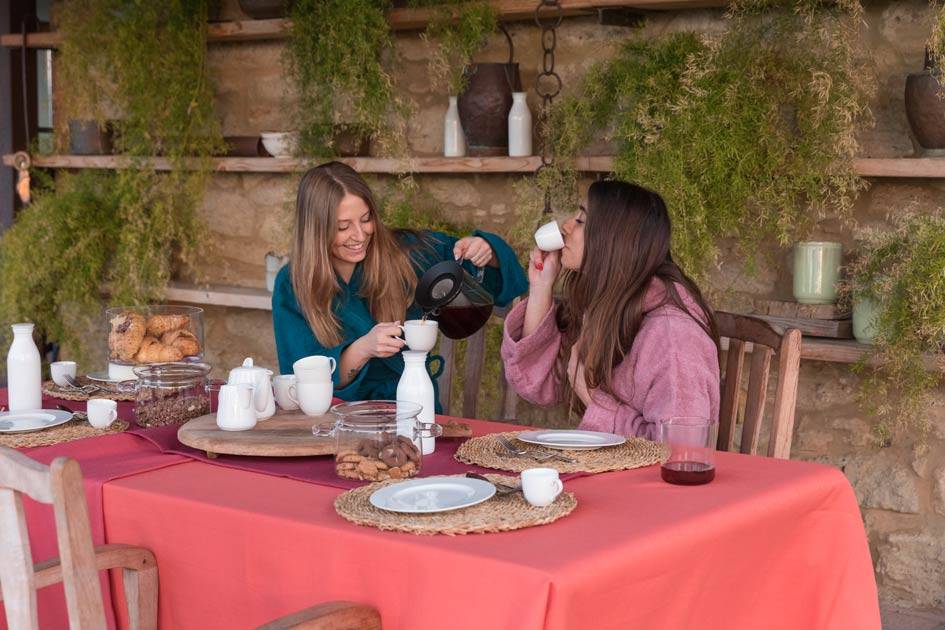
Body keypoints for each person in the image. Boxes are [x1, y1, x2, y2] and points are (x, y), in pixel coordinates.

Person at [273, 161, 528, 409]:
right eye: (343, 227)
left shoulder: (409, 253)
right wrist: (364, 348)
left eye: (365, 219)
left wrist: (486, 250)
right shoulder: (293, 285)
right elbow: (304, 381)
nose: (360, 236)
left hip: (413, 408)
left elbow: (485, 277)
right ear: (316, 230)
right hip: (336, 422)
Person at [501, 180, 720, 439]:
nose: (566, 227)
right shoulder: (610, 309)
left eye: (581, 220)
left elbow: (682, 448)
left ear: (615, 239)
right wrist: (541, 286)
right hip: (607, 467)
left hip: (642, 478)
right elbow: (541, 384)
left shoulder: (672, 337)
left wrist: (594, 400)